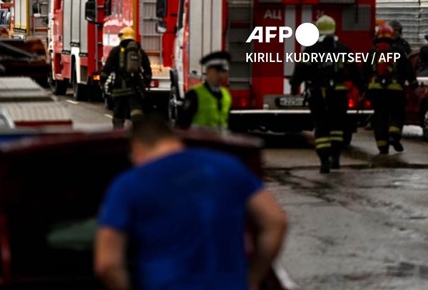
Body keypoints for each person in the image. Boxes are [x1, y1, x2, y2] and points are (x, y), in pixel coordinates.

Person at [94, 114, 288, 290]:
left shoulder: (130, 184)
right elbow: (275, 221)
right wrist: (253, 277)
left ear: (137, 148)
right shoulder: (227, 166)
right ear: (175, 140)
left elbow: (107, 264)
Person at [290, 15, 360, 173]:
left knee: (321, 126)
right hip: (339, 95)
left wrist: (294, 86)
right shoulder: (343, 48)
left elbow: (300, 71)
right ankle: (335, 157)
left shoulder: (311, 49)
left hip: (318, 95)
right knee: (337, 127)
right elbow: (355, 72)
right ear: (334, 29)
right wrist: (363, 89)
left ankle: (324, 161)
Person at [365, 24, 417, 154]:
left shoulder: (373, 52)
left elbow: (364, 71)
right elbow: (407, 69)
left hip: (376, 91)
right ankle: (394, 135)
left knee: (379, 117)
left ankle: (382, 145)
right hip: (395, 91)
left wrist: (363, 89)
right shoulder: (398, 52)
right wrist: (413, 84)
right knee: (397, 113)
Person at [101, 27, 152, 128]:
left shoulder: (115, 51)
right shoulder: (139, 51)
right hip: (135, 87)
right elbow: (147, 70)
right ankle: (137, 132)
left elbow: (107, 69)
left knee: (118, 115)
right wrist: (145, 83)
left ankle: (118, 135)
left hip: (119, 88)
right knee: (136, 111)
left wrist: (102, 82)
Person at [175, 50, 232, 131]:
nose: (220, 75)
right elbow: (182, 124)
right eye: (217, 71)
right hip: (198, 143)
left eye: (224, 71)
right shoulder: (194, 94)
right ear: (208, 71)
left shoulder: (226, 95)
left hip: (220, 143)